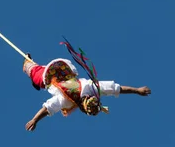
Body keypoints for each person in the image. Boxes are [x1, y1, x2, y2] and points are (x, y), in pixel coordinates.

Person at [23, 56, 151, 131]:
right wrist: (35, 120)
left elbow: (114, 88)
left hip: (57, 72)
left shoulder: (91, 88)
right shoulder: (69, 98)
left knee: (36, 70)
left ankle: (31, 66)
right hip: (48, 77)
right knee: (32, 70)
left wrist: (137, 90)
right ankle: (28, 63)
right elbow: (47, 108)